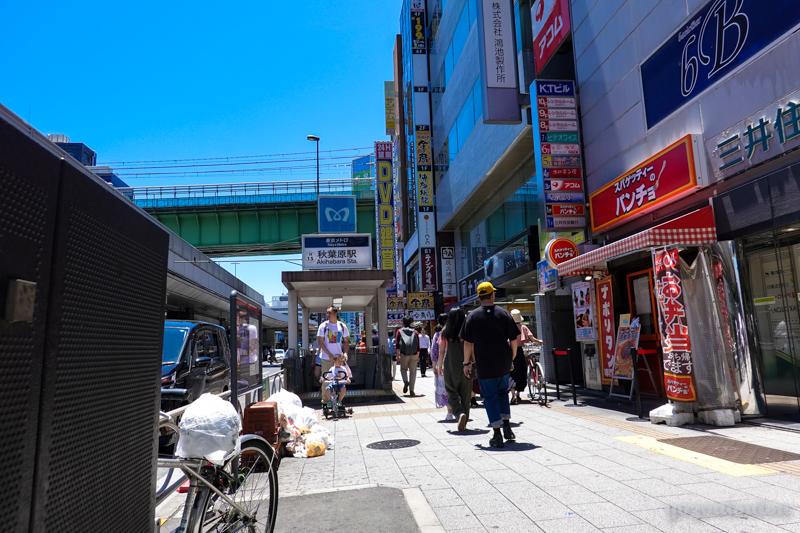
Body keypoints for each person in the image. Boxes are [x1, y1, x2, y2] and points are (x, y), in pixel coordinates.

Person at [460, 282, 519, 448]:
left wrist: (466, 364)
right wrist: (511, 358)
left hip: (485, 364)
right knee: (503, 393)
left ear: (479, 297)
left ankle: (497, 434)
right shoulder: (504, 314)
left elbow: (467, 343)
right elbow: (513, 339)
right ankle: (507, 427)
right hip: (503, 363)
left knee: (490, 397)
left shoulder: (472, 317)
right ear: (493, 295)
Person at [439, 307, 471, 432]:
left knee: (451, 392)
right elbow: (471, 347)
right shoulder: (467, 330)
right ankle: (465, 421)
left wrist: (439, 365)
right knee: (466, 395)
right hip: (466, 364)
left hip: (450, 365)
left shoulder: (446, 331)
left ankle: (458, 414)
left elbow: (442, 351)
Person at [316, 306, 350, 404]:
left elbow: (346, 341)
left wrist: (345, 353)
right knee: (326, 380)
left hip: (339, 359)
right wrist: (330, 355)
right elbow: (320, 342)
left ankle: (338, 401)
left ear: (335, 314)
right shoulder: (323, 326)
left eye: (329, 313)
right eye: (327, 313)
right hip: (326, 358)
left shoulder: (342, 326)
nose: (327, 315)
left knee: (341, 380)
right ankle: (326, 402)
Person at [509, 309, 541, 404]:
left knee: (510, 373)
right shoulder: (523, 327)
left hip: (510, 352)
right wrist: (539, 342)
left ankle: (513, 394)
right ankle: (518, 395)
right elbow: (532, 338)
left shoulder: (508, 327)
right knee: (521, 372)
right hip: (519, 352)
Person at [430, 313, 451, 419]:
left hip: (441, 364)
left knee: (445, 388)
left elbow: (435, 351)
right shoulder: (454, 333)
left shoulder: (438, 335)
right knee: (454, 387)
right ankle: (458, 409)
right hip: (454, 363)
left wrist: (435, 366)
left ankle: (449, 412)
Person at [396, 315, 420, 396]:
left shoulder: (399, 331)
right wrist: (418, 356)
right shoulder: (415, 332)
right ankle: (412, 391)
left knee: (403, 369)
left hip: (404, 353)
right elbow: (418, 345)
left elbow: (397, 344)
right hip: (414, 354)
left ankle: (406, 381)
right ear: (411, 322)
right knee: (413, 372)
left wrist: (397, 355)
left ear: (403, 322)